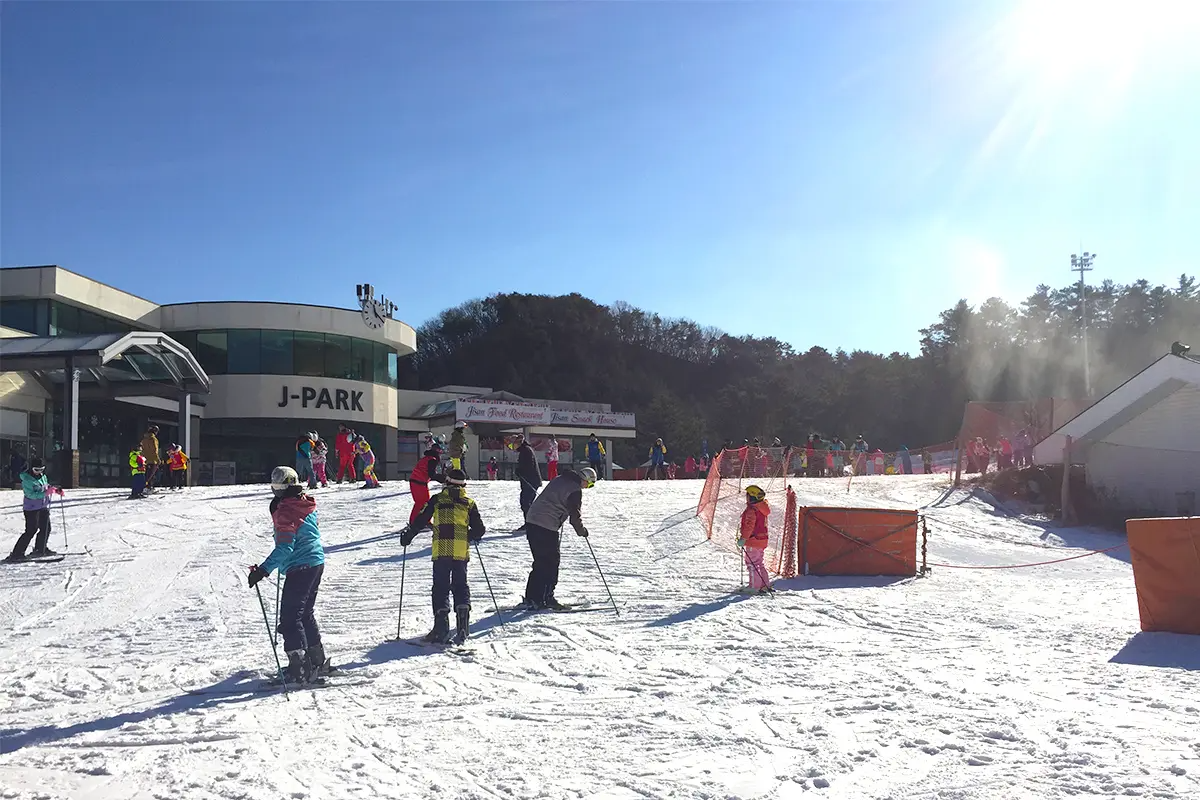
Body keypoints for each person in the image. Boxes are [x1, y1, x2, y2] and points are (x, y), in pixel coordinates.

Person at [248, 466, 330, 683]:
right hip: (315, 562)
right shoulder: (306, 503)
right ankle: (316, 660)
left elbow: (285, 547)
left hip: (301, 566)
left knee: (290, 618)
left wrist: (263, 570)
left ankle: (300, 669)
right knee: (304, 614)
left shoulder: (285, 510)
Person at [401, 469, 486, 644]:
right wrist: (466, 536)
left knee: (440, 587)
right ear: (464, 485)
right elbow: (480, 530)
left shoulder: (437, 500)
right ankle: (463, 627)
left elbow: (421, 519)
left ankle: (441, 629)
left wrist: (408, 536)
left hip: (441, 550)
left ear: (446, 483)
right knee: (460, 585)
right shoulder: (469, 503)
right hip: (461, 552)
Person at [521, 466, 597, 609]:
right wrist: (582, 531)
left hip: (532, 520)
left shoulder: (560, 479)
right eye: (590, 484)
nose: (588, 487)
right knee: (551, 562)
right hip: (546, 525)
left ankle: (532, 596)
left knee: (540, 561)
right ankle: (546, 598)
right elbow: (575, 517)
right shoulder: (575, 490)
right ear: (585, 479)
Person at [6, 457, 61, 561]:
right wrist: (46, 493)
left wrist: (55, 490)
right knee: (31, 530)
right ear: (31, 468)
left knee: (46, 528)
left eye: (41, 469)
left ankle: (40, 549)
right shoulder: (26, 479)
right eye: (36, 469)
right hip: (31, 508)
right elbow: (30, 494)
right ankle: (17, 553)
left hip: (43, 506)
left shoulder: (42, 476)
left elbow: (46, 486)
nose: (39, 472)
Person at [739, 484, 772, 593]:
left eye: (748, 496)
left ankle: (754, 586)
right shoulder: (762, 508)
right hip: (762, 540)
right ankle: (764, 585)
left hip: (753, 540)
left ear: (752, 497)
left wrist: (744, 538)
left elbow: (749, 526)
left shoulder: (752, 510)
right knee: (759, 563)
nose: (746, 497)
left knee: (752, 564)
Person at [408, 446, 444, 527]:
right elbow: (432, 474)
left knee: (426, 502)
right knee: (421, 502)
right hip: (418, 482)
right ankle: (413, 522)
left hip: (418, 481)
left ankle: (425, 521)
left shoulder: (427, 458)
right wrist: (443, 478)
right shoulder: (432, 460)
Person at [515, 433, 542, 524]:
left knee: (526, 502)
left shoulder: (526, 450)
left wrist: (521, 471)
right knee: (525, 502)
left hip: (531, 481)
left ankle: (530, 523)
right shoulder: (524, 450)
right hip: (528, 480)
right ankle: (528, 522)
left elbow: (529, 465)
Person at [141, 425, 161, 490]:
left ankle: (145, 486)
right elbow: (154, 450)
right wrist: (158, 459)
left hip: (144, 459)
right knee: (151, 474)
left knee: (146, 473)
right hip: (152, 459)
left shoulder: (144, 439)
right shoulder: (153, 439)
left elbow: (142, 449)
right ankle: (149, 487)